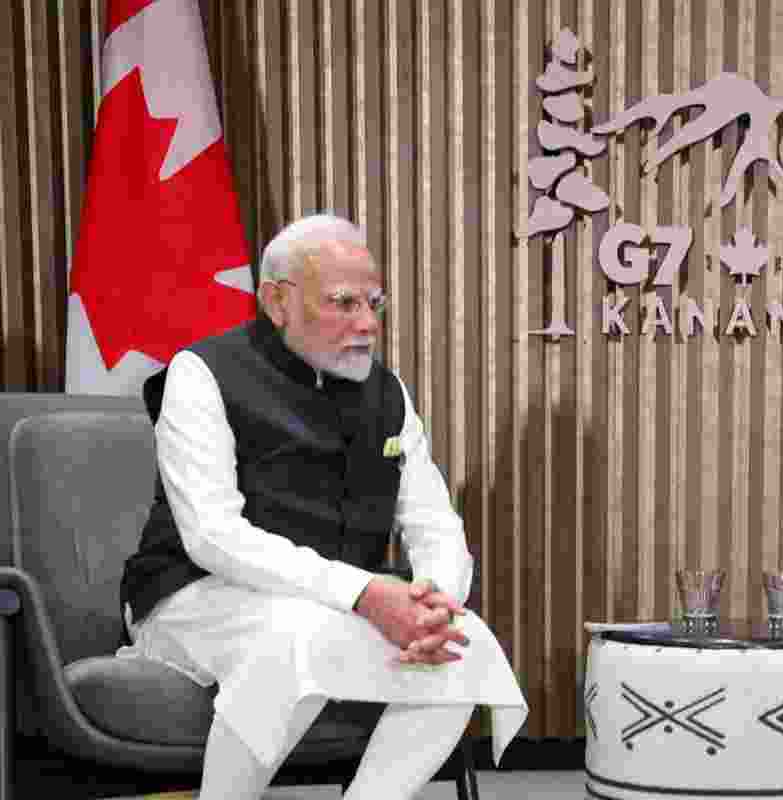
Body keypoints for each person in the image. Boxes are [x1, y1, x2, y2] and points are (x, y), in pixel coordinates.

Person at [118, 214, 527, 800]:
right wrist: (363, 593)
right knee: (294, 633)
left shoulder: (386, 393)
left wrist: (434, 600)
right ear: (277, 302)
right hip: (193, 593)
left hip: (337, 604)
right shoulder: (203, 372)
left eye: (374, 304)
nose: (368, 324)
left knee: (462, 645)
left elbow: (433, 520)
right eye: (343, 303)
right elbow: (212, 535)